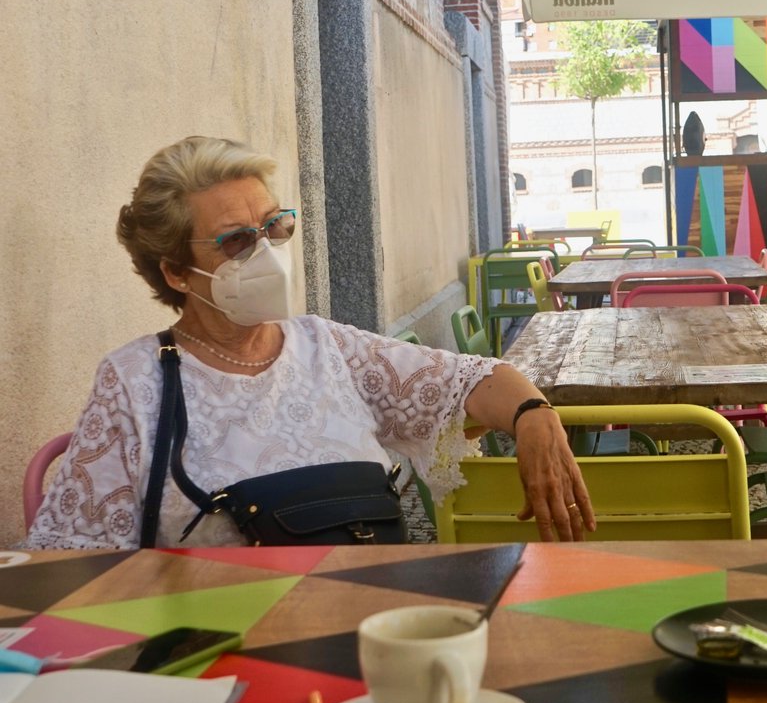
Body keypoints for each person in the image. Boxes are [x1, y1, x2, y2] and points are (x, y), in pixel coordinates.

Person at [23, 136, 595, 549]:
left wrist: (533, 415)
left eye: (274, 227)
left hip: (367, 628)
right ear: (176, 272)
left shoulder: (329, 349)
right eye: (237, 241)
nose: (268, 253)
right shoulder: (136, 382)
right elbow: (76, 559)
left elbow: (471, 381)